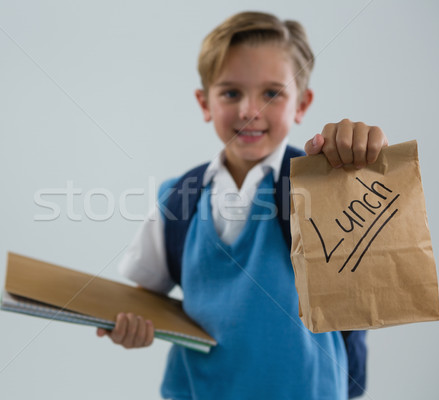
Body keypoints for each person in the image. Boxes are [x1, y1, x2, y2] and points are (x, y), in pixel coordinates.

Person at [97, 11, 387, 399]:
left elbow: (371, 257)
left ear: (302, 103)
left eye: (272, 93)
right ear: (205, 103)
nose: (251, 110)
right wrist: (131, 325)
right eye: (231, 93)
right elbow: (145, 297)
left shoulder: (324, 183)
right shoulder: (178, 196)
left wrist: (361, 163)